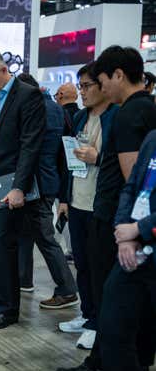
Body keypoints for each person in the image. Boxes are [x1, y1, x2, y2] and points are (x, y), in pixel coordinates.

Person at [55, 45, 156, 371]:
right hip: (124, 223)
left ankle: (109, 370)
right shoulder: (144, 110)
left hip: (119, 223)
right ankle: (135, 368)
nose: (96, 89)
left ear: (116, 75)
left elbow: (137, 180)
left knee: (110, 304)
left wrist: (131, 231)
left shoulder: (129, 114)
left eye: (98, 81)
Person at [0, 51, 45, 330]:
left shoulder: (28, 95)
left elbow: (30, 145)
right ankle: (1, 299)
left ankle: (8, 309)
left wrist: (19, 187)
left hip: (12, 180)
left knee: (4, 242)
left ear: (4, 70)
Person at [56, 62, 117, 349]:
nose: (82, 92)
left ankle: (99, 323)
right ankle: (88, 313)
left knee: (99, 265)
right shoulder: (81, 117)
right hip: (78, 200)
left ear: (104, 85)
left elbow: (124, 163)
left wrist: (99, 157)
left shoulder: (117, 117)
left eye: (87, 86)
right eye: (79, 87)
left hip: (101, 204)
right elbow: (68, 161)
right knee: (81, 262)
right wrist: (65, 199)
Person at [97, 129, 156, 371]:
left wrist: (140, 229)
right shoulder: (152, 138)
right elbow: (131, 186)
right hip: (136, 249)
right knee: (112, 321)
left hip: (145, 237)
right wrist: (126, 233)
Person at [15, 73, 79, 308]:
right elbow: (65, 153)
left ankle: (67, 289)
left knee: (44, 237)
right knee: (28, 232)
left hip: (35, 183)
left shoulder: (34, 109)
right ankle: (23, 279)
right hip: (47, 181)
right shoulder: (56, 109)